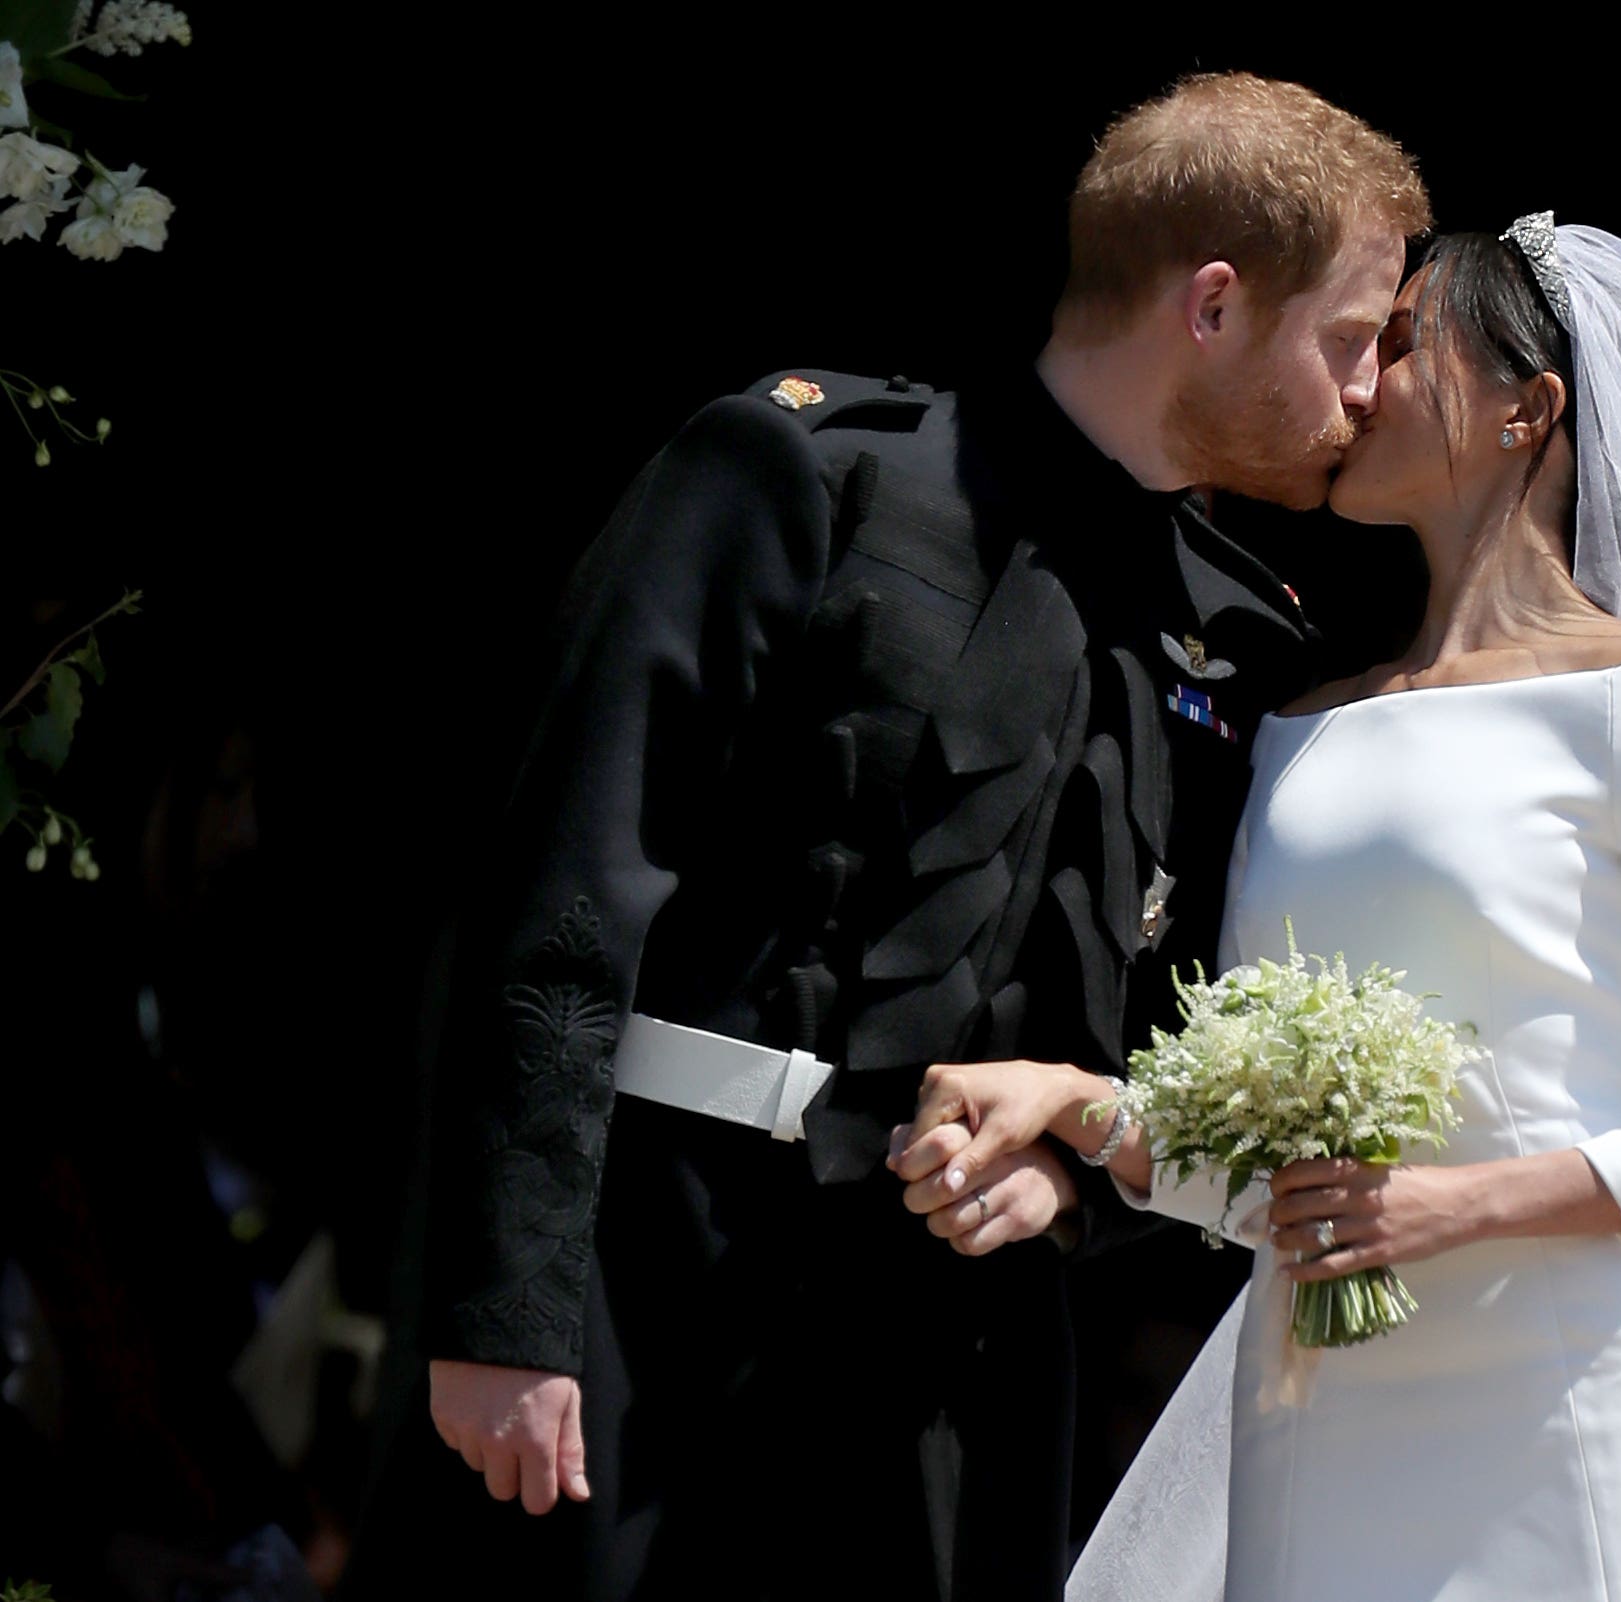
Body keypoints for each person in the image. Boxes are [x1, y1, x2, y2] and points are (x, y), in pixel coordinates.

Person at [345, 73, 1429, 1602]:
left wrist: (1079, 1186)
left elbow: (1188, 1032)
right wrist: (504, 1315)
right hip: (653, 1291)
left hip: (965, 1362)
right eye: (1350, 336)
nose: (1373, 387)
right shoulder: (803, 472)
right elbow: (563, 897)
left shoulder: (1241, 637)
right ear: (1212, 304)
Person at [892, 218, 1621, 1601]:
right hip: (1321, 1421)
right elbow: (1277, 1180)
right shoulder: (1303, 728)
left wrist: (1458, 1201)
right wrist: (1081, 1104)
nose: (1364, 380)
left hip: (1583, 1405)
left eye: (1404, 343)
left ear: (1530, 409)